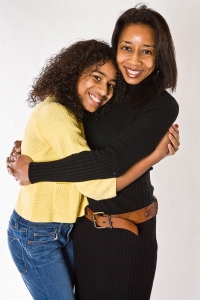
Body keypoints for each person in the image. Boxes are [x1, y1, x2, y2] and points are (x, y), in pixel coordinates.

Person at [7, 4, 179, 300]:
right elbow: (66, 128)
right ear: (116, 48)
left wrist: (35, 172)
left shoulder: (161, 106)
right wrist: (30, 145)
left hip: (130, 235)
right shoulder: (109, 92)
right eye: (126, 47)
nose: (134, 60)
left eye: (146, 51)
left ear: (160, 55)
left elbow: (110, 162)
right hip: (83, 230)